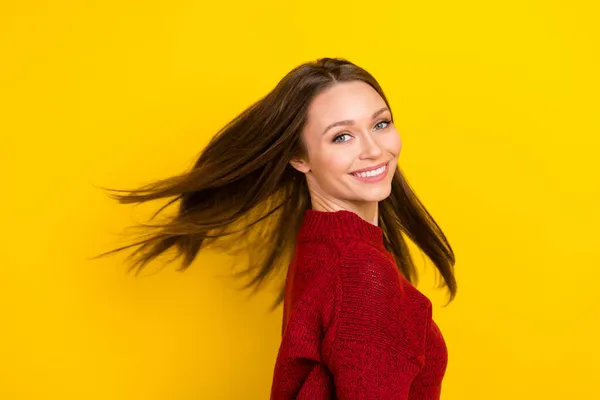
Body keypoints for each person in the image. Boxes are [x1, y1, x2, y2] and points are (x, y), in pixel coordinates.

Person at [94, 57, 457, 399]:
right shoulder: (361, 271)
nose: (375, 150)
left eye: (380, 124)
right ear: (298, 158)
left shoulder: (321, 246)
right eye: (341, 136)